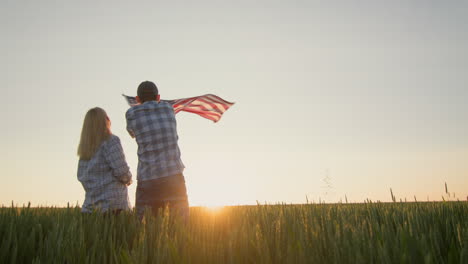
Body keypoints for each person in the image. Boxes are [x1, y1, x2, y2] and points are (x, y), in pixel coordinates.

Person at [125, 81, 189, 220]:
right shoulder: (169, 108)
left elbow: (132, 133)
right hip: (174, 176)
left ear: (137, 99)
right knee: (179, 226)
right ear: (158, 97)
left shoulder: (131, 113)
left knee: (146, 227)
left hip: (148, 178)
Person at [77, 107, 132, 214]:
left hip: (90, 209)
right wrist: (128, 179)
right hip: (113, 207)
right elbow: (122, 172)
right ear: (105, 120)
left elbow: (81, 176)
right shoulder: (111, 141)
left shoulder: (84, 148)